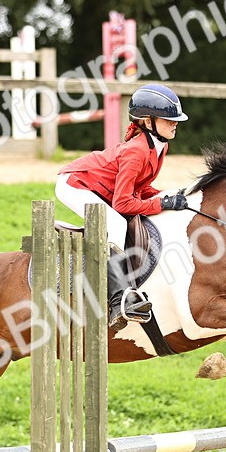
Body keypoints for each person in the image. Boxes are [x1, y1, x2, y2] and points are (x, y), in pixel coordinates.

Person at [55, 83, 190, 331]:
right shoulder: (137, 151)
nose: (175, 123)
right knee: (116, 222)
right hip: (74, 183)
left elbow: (141, 187)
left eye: (175, 119)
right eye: (168, 119)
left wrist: (170, 196)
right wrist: (161, 203)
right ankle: (118, 301)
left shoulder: (159, 147)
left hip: (99, 187)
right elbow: (123, 203)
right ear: (148, 122)